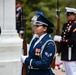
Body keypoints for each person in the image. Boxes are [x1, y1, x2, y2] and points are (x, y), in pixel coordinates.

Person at [54, 7, 76, 75]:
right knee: (67, 72)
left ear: (74, 15)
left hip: (72, 53)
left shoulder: (75, 26)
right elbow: (64, 37)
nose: (67, 16)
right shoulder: (65, 25)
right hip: (65, 52)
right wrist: (58, 50)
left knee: (72, 72)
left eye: (69, 15)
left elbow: (73, 40)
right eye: (67, 15)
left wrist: (61, 39)